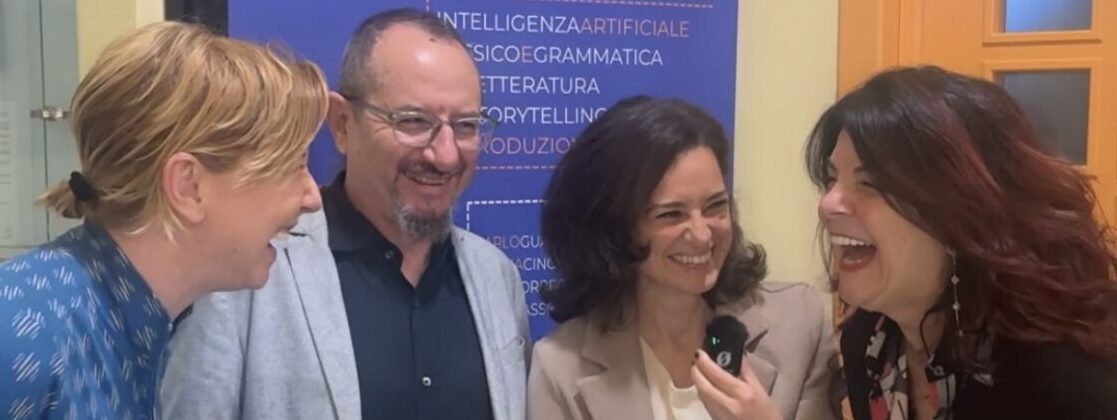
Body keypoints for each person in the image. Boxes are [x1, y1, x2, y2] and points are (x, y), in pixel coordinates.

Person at [160, 8, 531, 420]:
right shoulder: (242, 276)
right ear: (341, 124)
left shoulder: (497, 279)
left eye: (465, 126)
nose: (445, 155)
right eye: (413, 121)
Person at [0, 21, 327, 419]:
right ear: (188, 186)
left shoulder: (137, 326)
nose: (312, 197)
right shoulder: (21, 328)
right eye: (292, 165)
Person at [809, 66, 1117, 419]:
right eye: (831, 179)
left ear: (962, 213)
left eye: (871, 183)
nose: (827, 204)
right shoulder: (868, 346)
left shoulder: (1073, 374)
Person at [528, 96, 835, 420]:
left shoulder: (798, 323)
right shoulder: (560, 368)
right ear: (615, 227)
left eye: (715, 206)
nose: (702, 235)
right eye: (671, 214)